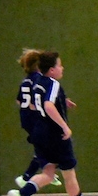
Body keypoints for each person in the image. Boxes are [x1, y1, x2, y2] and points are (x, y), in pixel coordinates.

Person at [7, 51, 92, 196]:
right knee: (69, 175)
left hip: (40, 133)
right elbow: (48, 105)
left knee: (48, 174)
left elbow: (35, 102)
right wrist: (64, 126)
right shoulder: (53, 83)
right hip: (55, 135)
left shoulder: (38, 82)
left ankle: (20, 195)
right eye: (59, 65)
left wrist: (63, 100)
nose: (62, 68)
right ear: (52, 70)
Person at [14, 49, 62, 188]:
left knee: (43, 147)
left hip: (25, 118)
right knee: (49, 145)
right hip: (34, 119)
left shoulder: (25, 81)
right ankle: (30, 176)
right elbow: (38, 97)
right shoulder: (38, 79)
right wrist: (37, 107)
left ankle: (47, 171)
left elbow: (19, 100)